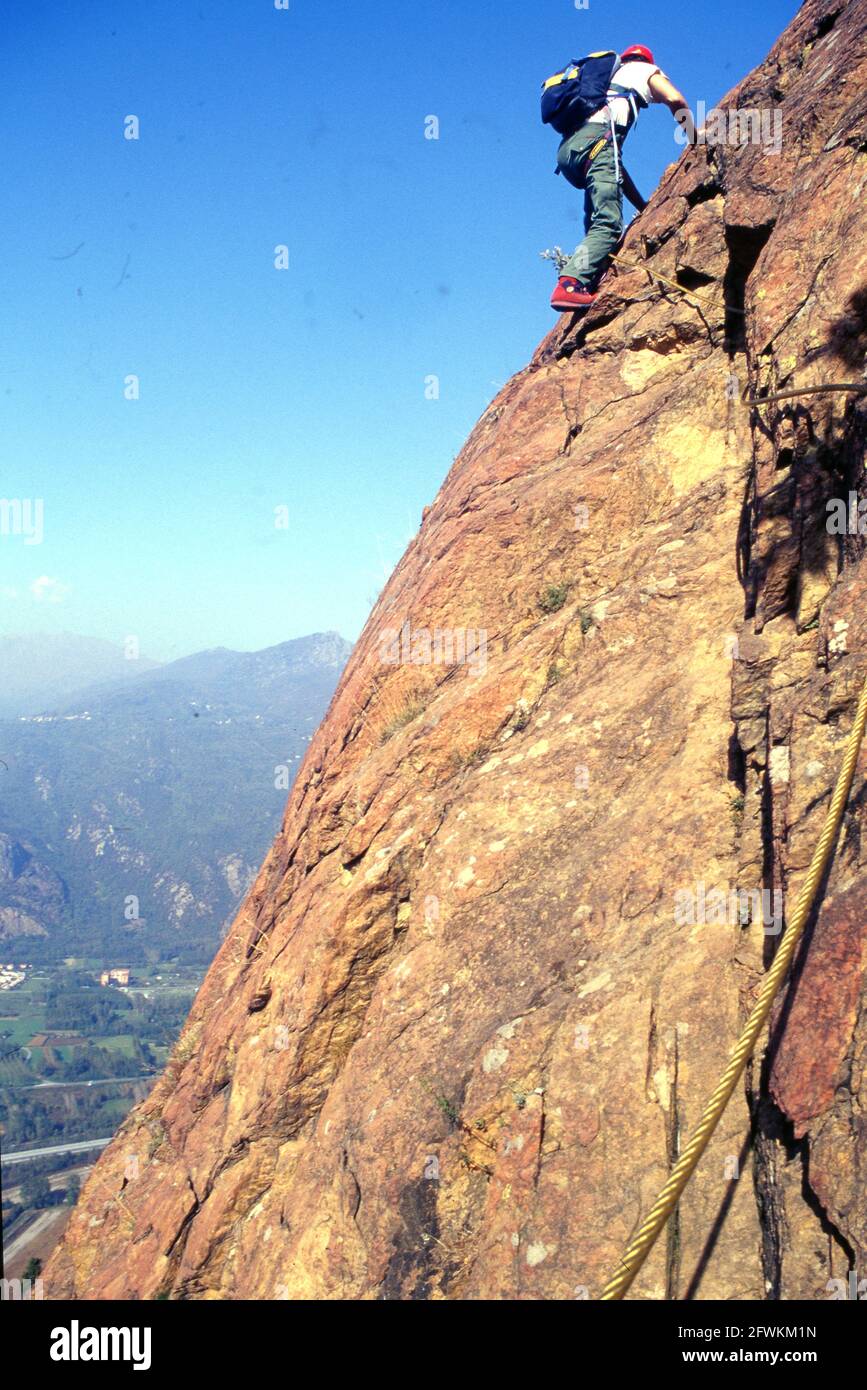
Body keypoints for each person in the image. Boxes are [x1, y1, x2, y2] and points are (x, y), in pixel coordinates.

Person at [551, 45, 689, 312]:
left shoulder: (604, 87)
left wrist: (643, 207)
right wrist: (693, 134)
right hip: (597, 144)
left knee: (596, 223)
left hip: (571, 151)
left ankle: (587, 279)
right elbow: (676, 100)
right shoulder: (645, 70)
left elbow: (616, 169)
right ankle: (569, 284)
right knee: (609, 224)